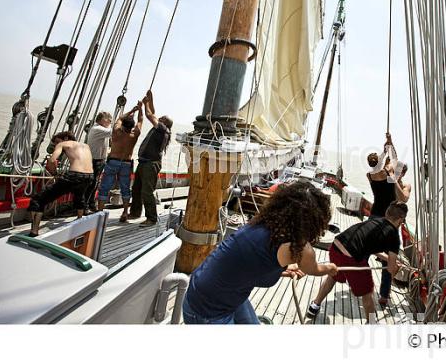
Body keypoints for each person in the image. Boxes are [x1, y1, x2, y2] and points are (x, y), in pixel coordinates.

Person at [182, 182, 338, 324]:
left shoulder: (264, 223)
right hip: (206, 312)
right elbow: (314, 269)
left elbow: (248, 265)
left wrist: (282, 270)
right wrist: (331, 269)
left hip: (204, 291)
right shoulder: (301, 249)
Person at [307, 201, 408, 323]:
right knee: (367, 292)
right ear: (401, 219)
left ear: (387, 213)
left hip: (335, 247)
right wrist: (396, 268)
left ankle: (315, 305)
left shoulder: (375, 221)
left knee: (332, 277)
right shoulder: (394, 236)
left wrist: (387, 259)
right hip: (351, 257)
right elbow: (391, 269)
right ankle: (371, 323)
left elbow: (369, 247)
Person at [366, 134, 411, 305]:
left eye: (400, 171)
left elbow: (404, 198)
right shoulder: (379, 177)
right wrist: (388, 149)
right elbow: (391, 162)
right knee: (366, 249)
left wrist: (394, 180)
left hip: (392, 224)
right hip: (377, 217)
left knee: (389, 259)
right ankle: (359, 280)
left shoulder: (402, 185)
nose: (398, 172)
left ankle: (384, 294)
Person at [28, 132, 94, 237]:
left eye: (57, 141)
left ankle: (34, 231)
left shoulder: (64, 144)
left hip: (74, 175)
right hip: (89, 176)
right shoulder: (86, 146)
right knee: (79, 196)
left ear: (66, 138)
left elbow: (52, 160)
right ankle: (79, 221)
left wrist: (55, 173)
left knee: (38, 200)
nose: (56, 145)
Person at [129, 90, 172, 226]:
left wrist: (145, 104)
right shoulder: (160, 128)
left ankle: (151, 218)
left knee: (147, 191)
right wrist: (150, 99)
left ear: (165, 123)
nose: (159, 118)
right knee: (136, 189)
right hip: (144, 162)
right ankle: (135, 212)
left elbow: (149, 115)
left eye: (162, 118)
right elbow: (152, 113)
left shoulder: (162, 129)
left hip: (151, 164)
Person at [97, 101, 143, 222]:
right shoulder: (134, 134)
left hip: (113, 162)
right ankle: (125, 212)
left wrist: (132, 110)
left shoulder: (116, 132)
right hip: (126, 164)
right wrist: (140, 109)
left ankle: (100, 213)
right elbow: (141, 121)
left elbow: (119, 118)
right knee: (125, 188)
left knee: (105, 187)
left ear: (123, 125)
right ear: (131, 127)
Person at [84, 111, 112, 211]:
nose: (109, 121)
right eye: (107, 118)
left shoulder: (103, 129)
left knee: (94, 184)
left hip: (99, 160)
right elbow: (114, 132)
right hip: (94, 160)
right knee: (90, 184)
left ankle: (90, 204)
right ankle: (85, 206)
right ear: (101, 120)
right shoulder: (97, 129)